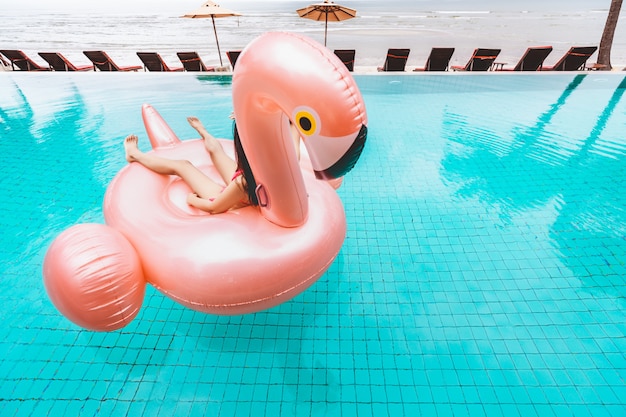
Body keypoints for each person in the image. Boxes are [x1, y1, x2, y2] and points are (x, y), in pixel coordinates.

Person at [124, 116, 258, 214]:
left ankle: (135, 155)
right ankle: (203, 131)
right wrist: (243, 117)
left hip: (238, 201)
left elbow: (214, 207)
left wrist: (191, 199)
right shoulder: (264, 167)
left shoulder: (242, 183)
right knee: (216, 151)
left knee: (183, 165)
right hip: (247, 185)